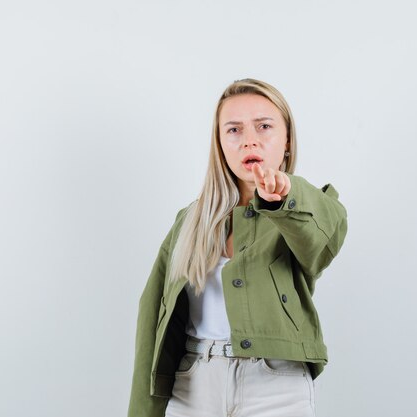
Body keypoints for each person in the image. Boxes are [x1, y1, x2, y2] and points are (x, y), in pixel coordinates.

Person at [127, 78, 348, 417]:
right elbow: (152, 320)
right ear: (219, 143)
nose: (249, 141)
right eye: (234, 130)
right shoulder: (189, 222)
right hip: (193, 383)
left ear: (287, 139)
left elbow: (322, 236)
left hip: (276, 385)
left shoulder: (305, 209)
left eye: (264, 126)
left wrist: (284, 195)